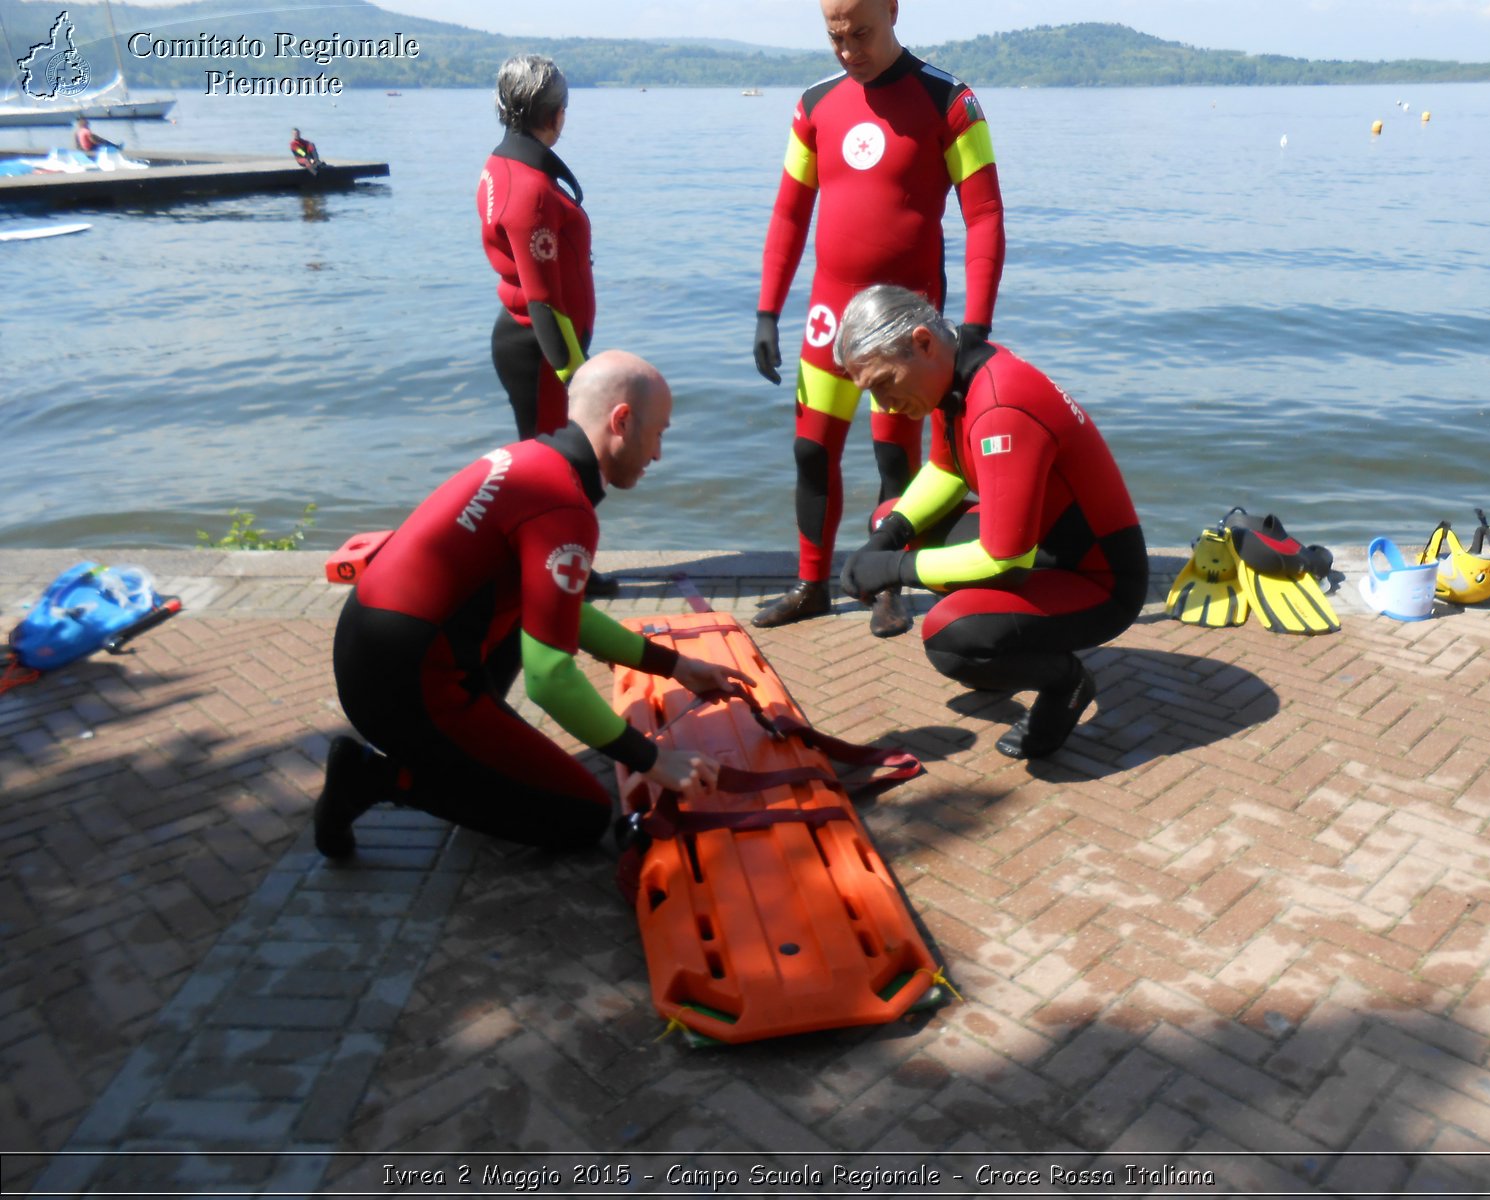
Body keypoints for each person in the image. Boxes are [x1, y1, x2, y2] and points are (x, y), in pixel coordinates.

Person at [312, 350, 751, 859]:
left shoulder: (532, 461)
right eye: (659, 433)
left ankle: (472, 751)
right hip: (402, 684)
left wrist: (673, 664)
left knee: (528, 618)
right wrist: (653, 759)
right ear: (622, 421)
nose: (658, 454)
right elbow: (548, 677)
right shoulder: (564, 505)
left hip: (379, 648)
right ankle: (373, 778)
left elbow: (556, 612)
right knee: (579, 816)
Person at [751, 0, 1005, 638]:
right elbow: (788, 214)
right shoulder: (815, 105)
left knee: (898, 464)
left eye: (860, 33)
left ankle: (890, 583)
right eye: (835, 36)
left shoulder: (949, 101)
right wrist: (766, 310)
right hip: (828, 315)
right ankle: (812, 584)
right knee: (812, 451)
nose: (848, 49)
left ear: (893, 10)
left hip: (902, 319)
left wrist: (974, 325)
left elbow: (986, 216)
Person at [833, 286, 1148, 760]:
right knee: (890, 517)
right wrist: (889, 537)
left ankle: (1066, 683)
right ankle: (1002, 646)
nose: (882, 404)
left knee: (954, 637)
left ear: (923, 343)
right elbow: (946, 470)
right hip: (1042, 546)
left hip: (1099, 580)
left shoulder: (1001, 402)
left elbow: (1003, 558)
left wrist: (896, 568)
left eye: (883, 382)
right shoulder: (957, 373)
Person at [478, 54, 592, 443]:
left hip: (533, 343)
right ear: (555, 116)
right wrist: (580, 378)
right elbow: (543, 303)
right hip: (543, 353)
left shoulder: (501, 163)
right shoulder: (532, 192)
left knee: (546, 461)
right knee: (557, 469)